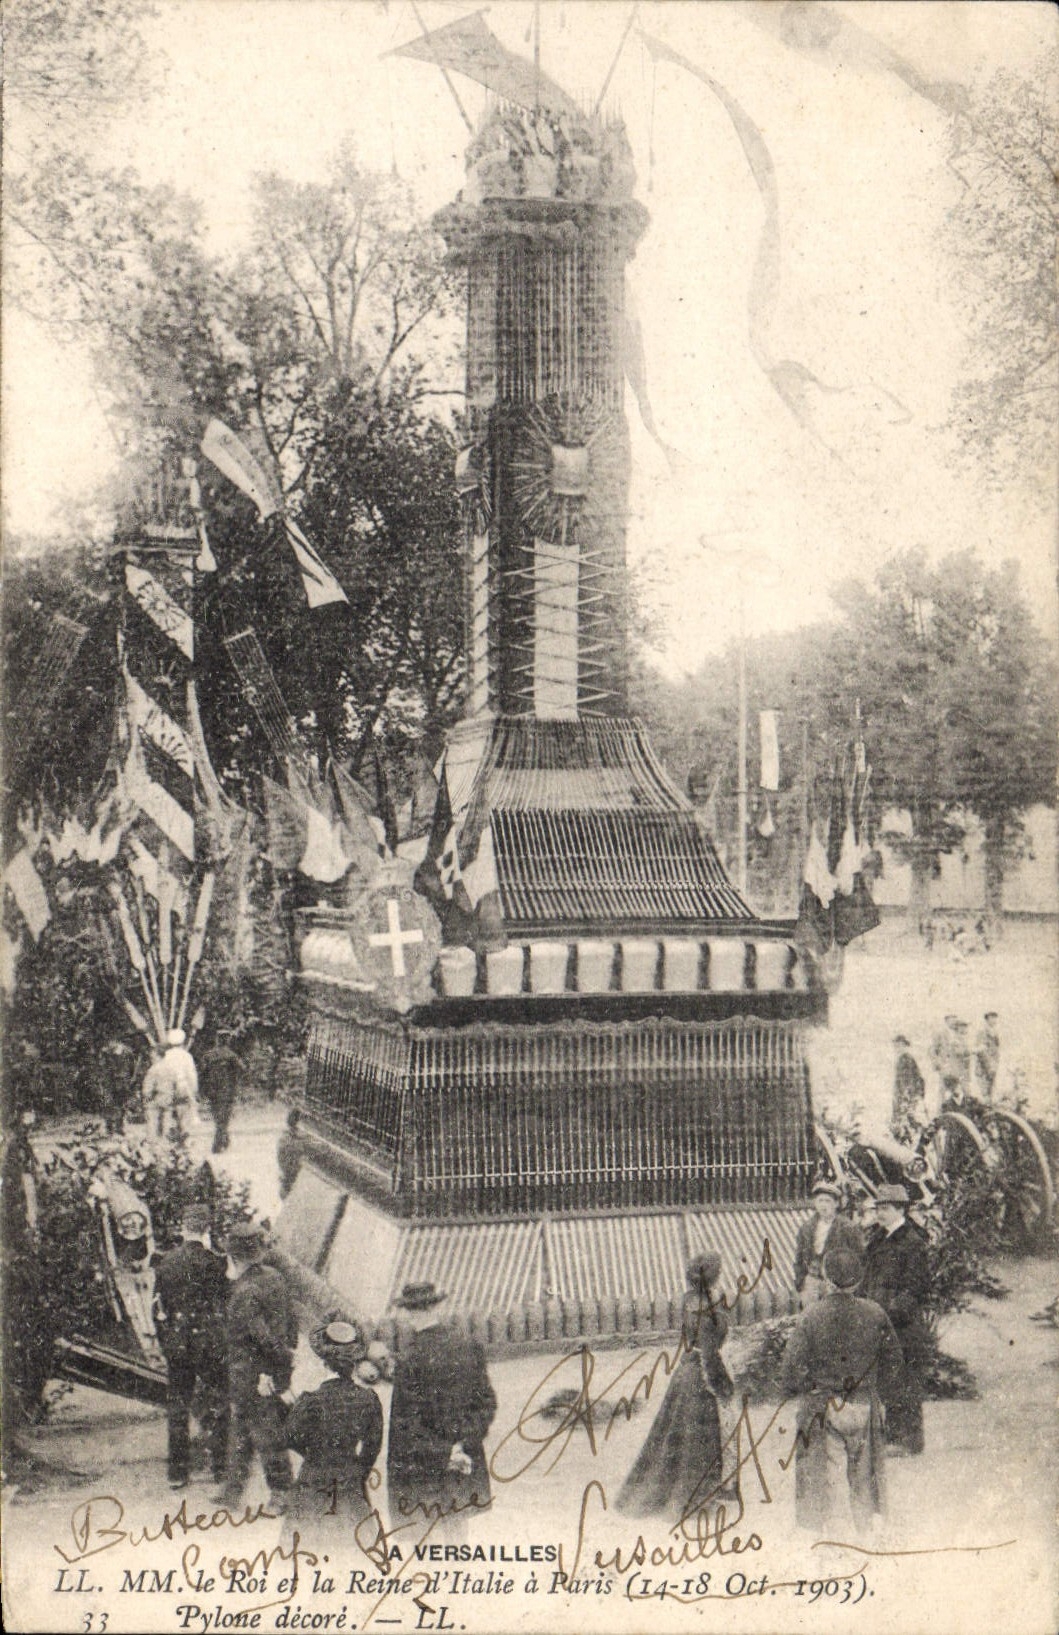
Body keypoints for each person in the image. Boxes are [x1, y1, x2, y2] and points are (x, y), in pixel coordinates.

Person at [781, 1246, 903, 1535]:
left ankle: (836, 1536)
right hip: (863, 1404)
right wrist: (878, 1394)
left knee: (829, 1476)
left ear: (825, 1278)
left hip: (825, 1406)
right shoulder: (875, 1313)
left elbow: (791, 1369)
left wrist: (808, 1388)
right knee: (863, 1472)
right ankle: (865, 1531)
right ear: (859, 1281)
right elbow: (894, 1361)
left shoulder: (812, 1315)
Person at [618, 1250, 738, 1524]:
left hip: (686, 1370)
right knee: (702, 1439)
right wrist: (723, 1385)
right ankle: (696, 1498)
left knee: (673, 1438)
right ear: (714, 1277)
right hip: (704, 1373)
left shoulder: (689, 1300)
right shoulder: (711, 1307)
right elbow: (710, 1351)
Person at [387, 1282, 496, 1539]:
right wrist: (461, 1444)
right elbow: (486, 1403)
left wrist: (444, 1452)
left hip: (425, 1466)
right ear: (437, 1306)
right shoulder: (468, 1345)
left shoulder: (410, 1359)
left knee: (429, 1543)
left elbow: (407, 1424)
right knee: (458, 1531)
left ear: (408, 1313)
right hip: (465, 1457)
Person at [214, 1219, 296, 1512]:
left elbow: (261, 1336)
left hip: (253, 1371)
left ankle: (281, 1493)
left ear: (234, 1257)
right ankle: (233, 1490)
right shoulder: (274, 1277)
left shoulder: (244, 1292)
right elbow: (290, 1319)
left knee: (264, 1431)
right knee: (242, 1430)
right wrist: (287, 1358)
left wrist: (272, 1367)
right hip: (263, 1368)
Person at [284, 1313, 383, 1546]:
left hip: (313, 1478)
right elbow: (373, 1446)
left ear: (324, 1362)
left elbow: (289, 1436)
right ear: (354, 1363)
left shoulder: (311, 1401)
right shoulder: (368, 1399)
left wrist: (313, 1455)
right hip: (350, 1479)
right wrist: (359, 1470)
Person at [152, 1202, 230, 1490]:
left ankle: (177, 1472)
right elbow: (226, 1306)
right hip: (210, 1344)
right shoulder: (216, 1263)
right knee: (220, 1402)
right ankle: (221, 1469)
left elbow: (158, 1310)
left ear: (182, 1227)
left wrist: (167, 1343)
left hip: (178, 1345)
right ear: (207, 1229)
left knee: (177, 1406)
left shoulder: (165, 1262)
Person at [861, 1183, 931, 1456]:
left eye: (886, 1208)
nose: (880, 1212)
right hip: (880, 1321)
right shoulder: (878, 1239)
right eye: (878, 1207)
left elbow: (915, 1289)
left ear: (900, 1209)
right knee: (889, 1381)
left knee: (907, 1381)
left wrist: (889, 1314)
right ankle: (892, 1437)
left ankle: (909, 1440)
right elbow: (867, 1279)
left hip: (904, 1326)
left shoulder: (913, 1242)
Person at [793, 1181, 863, 1305]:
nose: (823, 1206)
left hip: (836, 1285)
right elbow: (799, 1257)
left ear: (836, 1204)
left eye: (828, 1201)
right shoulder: (807, 1227)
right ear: (815, 1203)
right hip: (812, 1280)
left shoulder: (848, 1228)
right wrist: (801, 1282)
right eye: (820, 1201)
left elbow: (858, 1258)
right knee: (810, 1316)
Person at [200, 1038, 243, 1154]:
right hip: (227, 1091)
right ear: (227, 1041)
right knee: (224, 1117)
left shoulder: (208, 1055)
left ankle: (223, 1139)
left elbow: (202, 1073)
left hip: (213, 1091)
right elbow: (241, 1069)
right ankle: (219, 1142)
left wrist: (204, 1090)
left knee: (218, 1117)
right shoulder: (231, 1055)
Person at [891, 1035, 926, 1142]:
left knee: (908, 1118)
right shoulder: (900, 1059)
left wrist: (909, 1096)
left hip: (908, 1096)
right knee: (902, 1120)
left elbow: (914, 1079)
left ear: (905, 1046)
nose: (897, 1048)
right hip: (902, 1096)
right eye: (896, 1046)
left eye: (900, 1045)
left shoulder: (907, 1059)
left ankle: (918, 1137)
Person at [277, 1108, 305, 1199]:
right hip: (293, 1171)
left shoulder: (284, 1138)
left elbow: (281, 1158)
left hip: (292, 1172)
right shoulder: (291, 1137)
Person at [974, 1012, 1000, 1100]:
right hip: (984, 1067)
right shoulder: (982, 1032)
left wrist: (994, 1065)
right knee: (984, 1092)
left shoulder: (995, 1032)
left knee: (991, 1090)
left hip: (992, 1066)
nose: (994, 1020)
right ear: (987, 1019)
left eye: (995, 1018)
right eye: (991, 1018)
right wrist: (989, 1066)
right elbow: (981, 1051)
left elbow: (996, 1050)